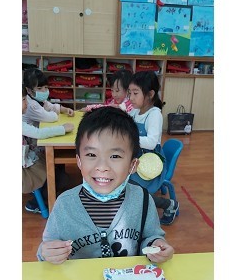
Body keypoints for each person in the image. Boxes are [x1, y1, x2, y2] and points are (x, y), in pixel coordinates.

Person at [37, 107, 174, 264]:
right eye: (91, 155)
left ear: (133, 165)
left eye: (115, 156)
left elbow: (150, 236)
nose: (102, 167)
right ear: (79, 161)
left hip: (127, 278)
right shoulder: (64, 204)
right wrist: (46, 253)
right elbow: (48, 246)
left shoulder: (143, 200)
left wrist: (156, 245)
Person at [127, 71, 179, 225]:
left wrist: (128, 138)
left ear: (150, 94)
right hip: (138, 157)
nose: (131, 98)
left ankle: (168, 204)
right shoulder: (135, 112)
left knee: (131, 189)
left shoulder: (154, 114)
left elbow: (151, 142)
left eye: (135, 93)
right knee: (121, 181)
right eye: (130, 93)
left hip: (151, 162)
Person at [22, 85, 74, 213]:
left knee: (59, 174)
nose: (26, 103)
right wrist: (62, 129)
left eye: (25, 99)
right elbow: (38, 133)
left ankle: (49, 187)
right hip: (25, 167)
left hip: (28, 155)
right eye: (23, 100)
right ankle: (36, 202)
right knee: (57, 175)